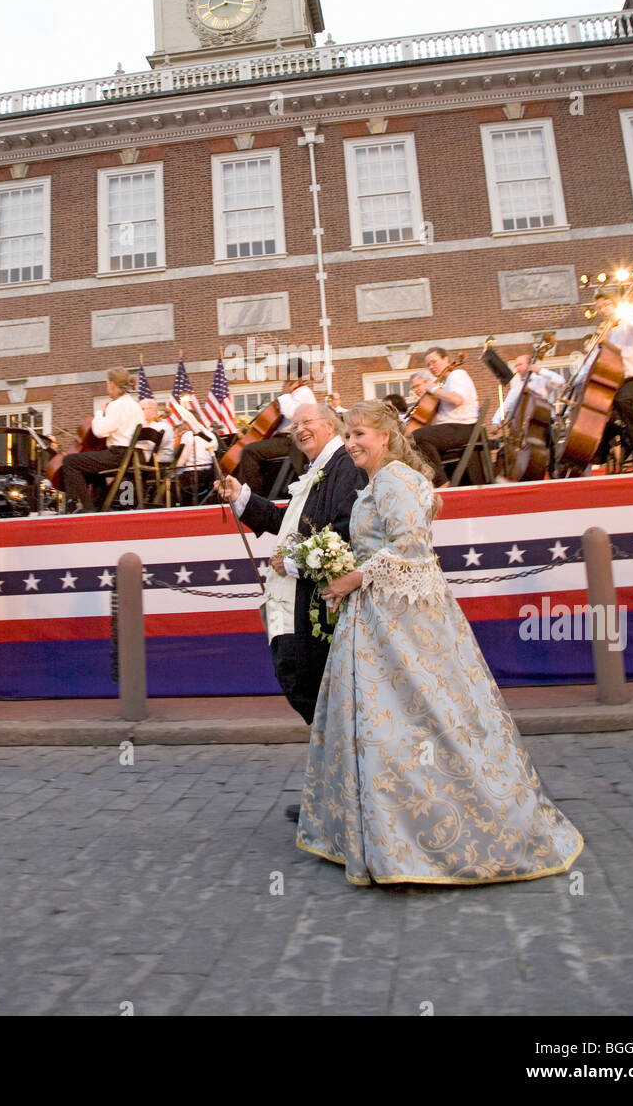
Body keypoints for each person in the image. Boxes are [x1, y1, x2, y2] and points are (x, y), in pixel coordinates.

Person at [297, 401, 584, 886]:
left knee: (420, 716)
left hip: (402, 623)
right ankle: (386, 834)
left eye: (360, 433)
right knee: (387, 721)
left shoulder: (395, 480)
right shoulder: (380, 483)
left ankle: (425, 838)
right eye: (347, 435)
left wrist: (352, 579)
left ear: (386, 436)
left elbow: (410, 546)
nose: (351, 443)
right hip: (376, 618)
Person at [216, 403, 366, 747]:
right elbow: (287, 523)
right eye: (294, 426)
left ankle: (340, 774)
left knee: (309, 685)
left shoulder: (343, 466)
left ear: (330, 425)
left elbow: (344, 532)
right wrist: (241, 496)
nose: (299, 430)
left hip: (313, 606)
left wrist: (295, 562)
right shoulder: (319, 469)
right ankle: (335, 773)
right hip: (292, 602)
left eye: (307, 422)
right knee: (302, 684)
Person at [62, 368, 143, 512]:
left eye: (107, 384)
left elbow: (99, 432)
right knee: (93, 468)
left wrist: (99, 412)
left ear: (112, 384)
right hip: (132, 456)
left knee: (70, 461)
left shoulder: (116, 405)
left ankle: (86, 508)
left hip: (119, 454)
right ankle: (98, 505)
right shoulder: (135, 406)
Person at [237, 357, 316, 496]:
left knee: (249, 451)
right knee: (252, 450)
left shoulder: (304, 392)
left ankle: (252, 496)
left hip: (291, 441)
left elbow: (292, 414)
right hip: (283, 439)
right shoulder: (295, 392)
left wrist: (285, 395)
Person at [593, 294, 633, 464]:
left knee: (623, 399)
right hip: (619, 383)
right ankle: (608, 447)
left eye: (606, 304)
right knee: (601, 407)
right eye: (599, 308)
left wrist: (625, 315)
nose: (603, 310)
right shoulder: (611, 333)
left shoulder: (632, 323)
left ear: (616, 304)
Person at [409, 348, 484, 486]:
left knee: (418, 436)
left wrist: (432, 389)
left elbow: (457, 399)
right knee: (415, 439)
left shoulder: (457, 375)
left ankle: (441, 482)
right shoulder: (445, 383)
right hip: (453, 428)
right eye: (429, 365)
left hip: (464, 428)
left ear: (446, 359)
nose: (432, 367)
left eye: (434, 362)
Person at [491, 353, 565, 429]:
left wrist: (540, 371)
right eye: (516, 366)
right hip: (528, 427)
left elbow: (561, 381)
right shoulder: (517, 388)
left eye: (520, 365)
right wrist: (496, 421)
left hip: (547, 422)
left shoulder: (542, 380)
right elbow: (506, 405)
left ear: (530, 365)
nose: (517, 368)